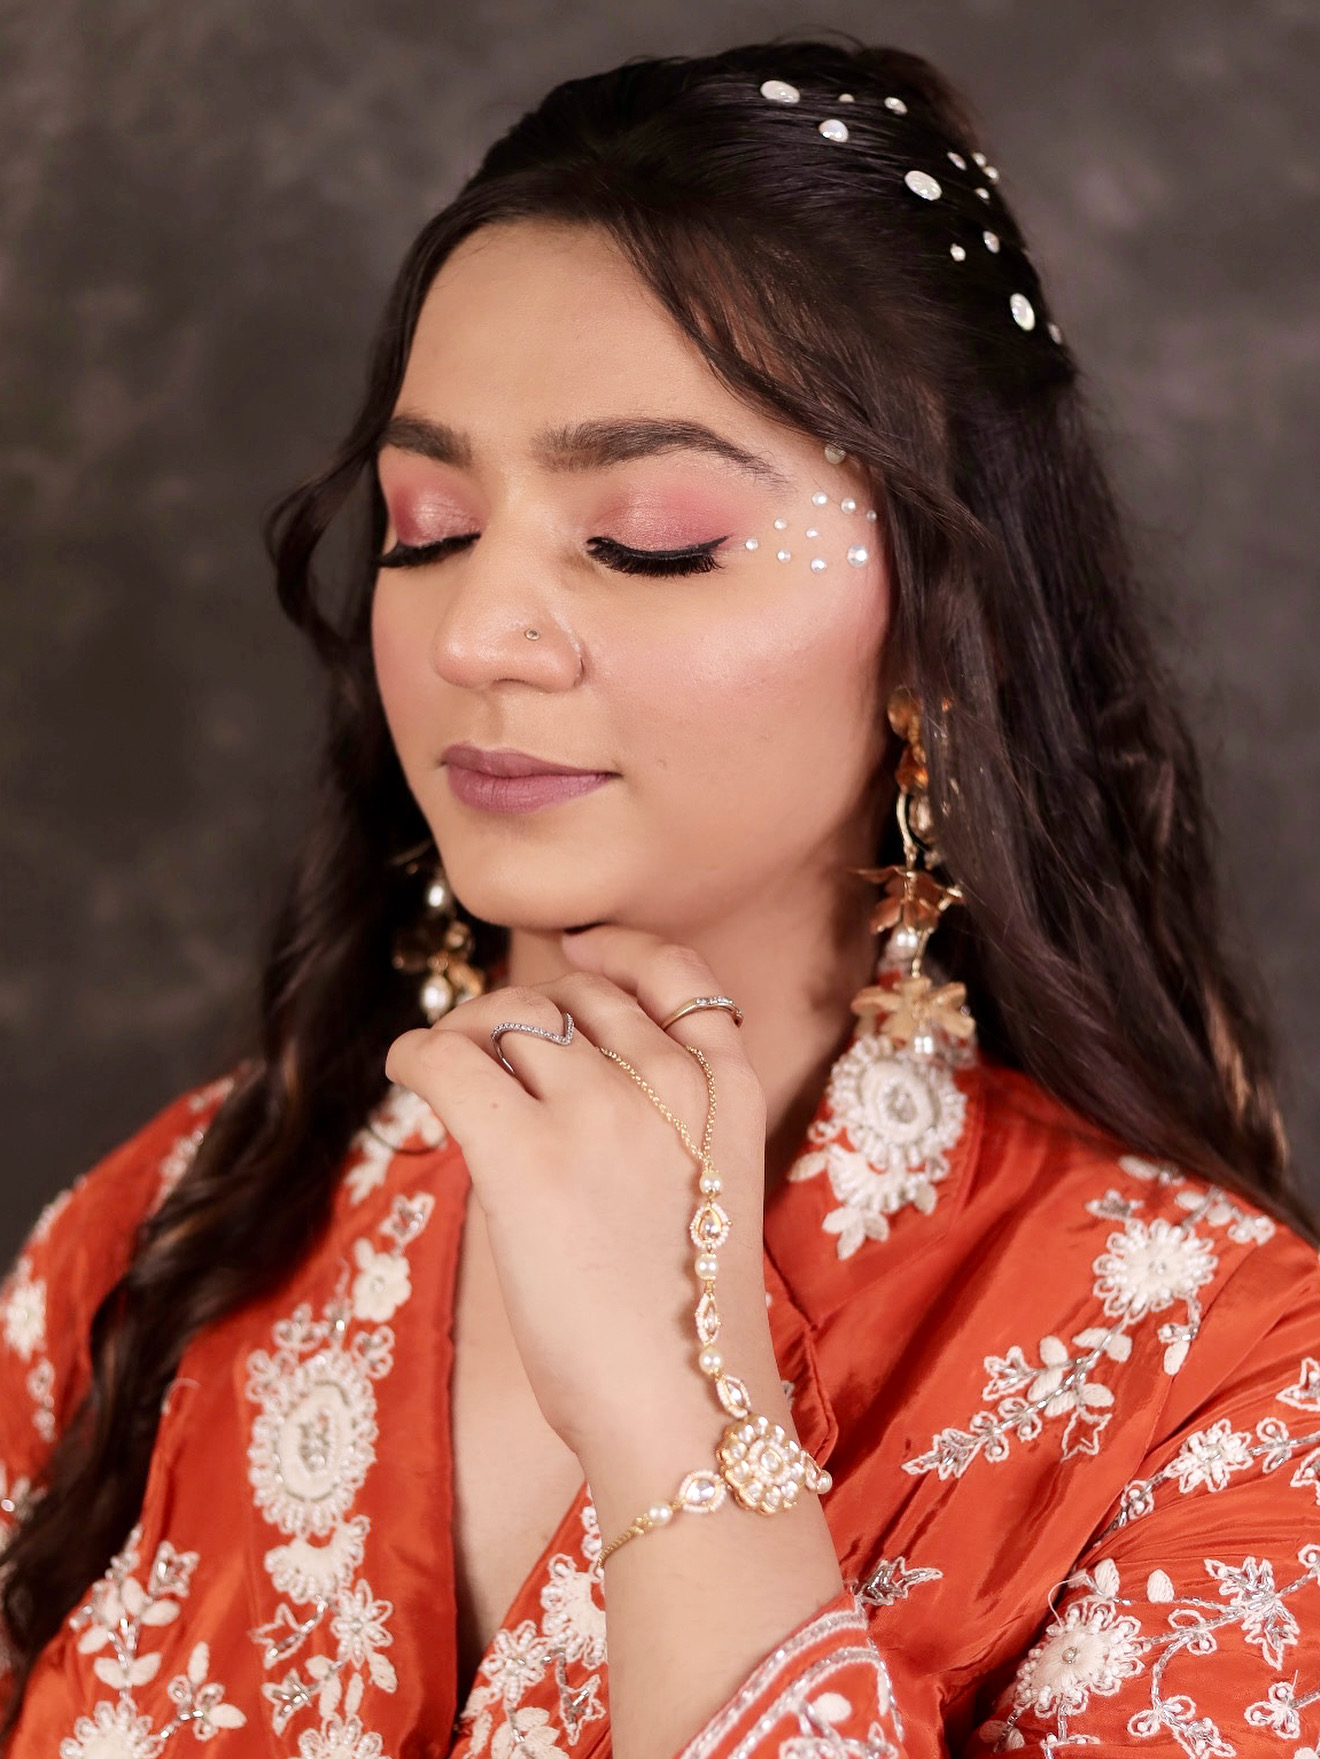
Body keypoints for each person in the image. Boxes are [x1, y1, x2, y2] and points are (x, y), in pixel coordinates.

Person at [1, 35, 1316, 1759]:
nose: (479, 635)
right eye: (428, 525)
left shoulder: (1219, 1379)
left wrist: (678, 1430)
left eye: (648, 539)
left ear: (942, 627)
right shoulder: (159, 1241)